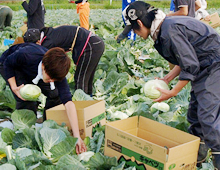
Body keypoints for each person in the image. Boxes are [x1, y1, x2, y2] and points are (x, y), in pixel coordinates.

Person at [120, 1, 220, 168]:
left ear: (139, 23)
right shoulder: (164, 28)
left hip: (214, 65)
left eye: (134, 31)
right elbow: (186, 56)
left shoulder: (169, 31)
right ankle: (197, 157)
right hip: (204, 65)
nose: (135, 34)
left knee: (207, 115)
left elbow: (191, 64)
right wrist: (168, 79)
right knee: (195, 114)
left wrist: (173, 92)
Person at [0, 40, 87, 154]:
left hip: (35, 69)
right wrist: (14, 87)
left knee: (55, 95)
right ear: (43, 66)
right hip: (12, 65)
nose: (51, 81)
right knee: (26, 101)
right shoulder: (27, 55)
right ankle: (26, 136)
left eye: (54, 80)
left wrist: (77, 136)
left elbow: (68, 103)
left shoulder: (55, 72)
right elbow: (8, 63)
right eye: (50, 78)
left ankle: (48, 123)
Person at [24, 26, 104, 96]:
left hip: (90, 46)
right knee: (88, 78)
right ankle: (89, 101)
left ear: (38, 41)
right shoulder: (46, 33)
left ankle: (82, 105)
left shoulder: (48, 43)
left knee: (81, 78)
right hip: (96, 43)